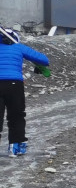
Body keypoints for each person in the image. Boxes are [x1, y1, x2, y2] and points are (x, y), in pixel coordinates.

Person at [0, 27, 49, 157]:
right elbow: (45, 60)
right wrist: (38, 65)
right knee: (16, 116)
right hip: (14, 85)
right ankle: (15, 147)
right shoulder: (19, 47)